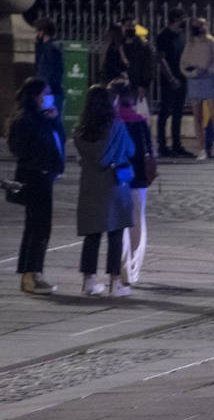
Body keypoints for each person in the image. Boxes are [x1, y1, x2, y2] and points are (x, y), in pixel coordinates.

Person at [73, 85, 135, 297]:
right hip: (113, 184)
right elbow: (131, 149)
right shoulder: (117, 126)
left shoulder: (80, 131)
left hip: (90, 185)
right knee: (115, 233)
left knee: (92, 235)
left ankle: (88, 281)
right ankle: (115, 283)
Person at [8, 78, 64, 295]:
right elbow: (20, 149)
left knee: (39, 227)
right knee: (37, 227)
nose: (49, 96)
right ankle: (30, 275)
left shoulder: (41, 117)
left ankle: (32, 273)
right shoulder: (26, 118)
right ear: (36, 95)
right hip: (34, 178)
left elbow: (57, 140)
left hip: (44, 176)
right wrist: (41, 165)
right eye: (46, 92)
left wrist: (54, 121)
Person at [110, 79, 154, 285]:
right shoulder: (139, 121)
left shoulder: (110, 121)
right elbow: (148, 152)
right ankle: (132, 268)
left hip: (115, 177)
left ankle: (120, 266)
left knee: (118, 225)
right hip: (137, 178)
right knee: (137, 222)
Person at [180, 18, 214, 160]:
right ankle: (202, 150)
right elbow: (183, 63)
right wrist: (191, 72)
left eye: (199, 26)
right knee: (197, 118)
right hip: (194, 81)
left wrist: (208, 70)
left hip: (208, 81)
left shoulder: (211, 42)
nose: (197, 28)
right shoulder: (190, 43)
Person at [156, 10, 190, 157]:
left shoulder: (181, 35)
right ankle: (163, 146)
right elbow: (161, 59)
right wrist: (171, 78)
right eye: (183, 18)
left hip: (182, 78)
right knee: (165, 112)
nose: (185, 21)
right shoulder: (163, 36)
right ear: (176, 19)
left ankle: (177, 145)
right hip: (169, 80)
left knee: (178, 113)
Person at [33, 19, 66, 148]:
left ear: (42, 32)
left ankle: (55, 155)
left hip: (49, 93)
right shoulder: (53, 48)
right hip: (53, 92)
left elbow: (46, 73)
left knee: (51, 122)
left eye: (37, 31)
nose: (36, 35)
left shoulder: (49, 49)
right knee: (53, 123)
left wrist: (41, 92)